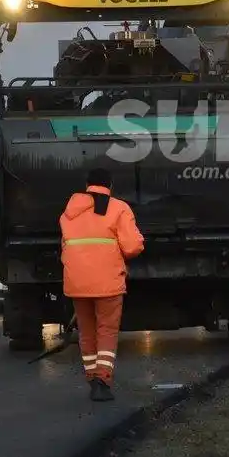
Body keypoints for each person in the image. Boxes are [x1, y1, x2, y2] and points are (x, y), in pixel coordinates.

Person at [59, 167, 145, 402]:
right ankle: (102, 380)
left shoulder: (68, 213)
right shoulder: (118, 208)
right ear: (110, 185)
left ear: (87, 184)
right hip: (108, 282)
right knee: (106, 331)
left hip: (77, 282)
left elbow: (66, 246)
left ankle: (91, 378)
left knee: (86, 332)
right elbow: (132, 246)